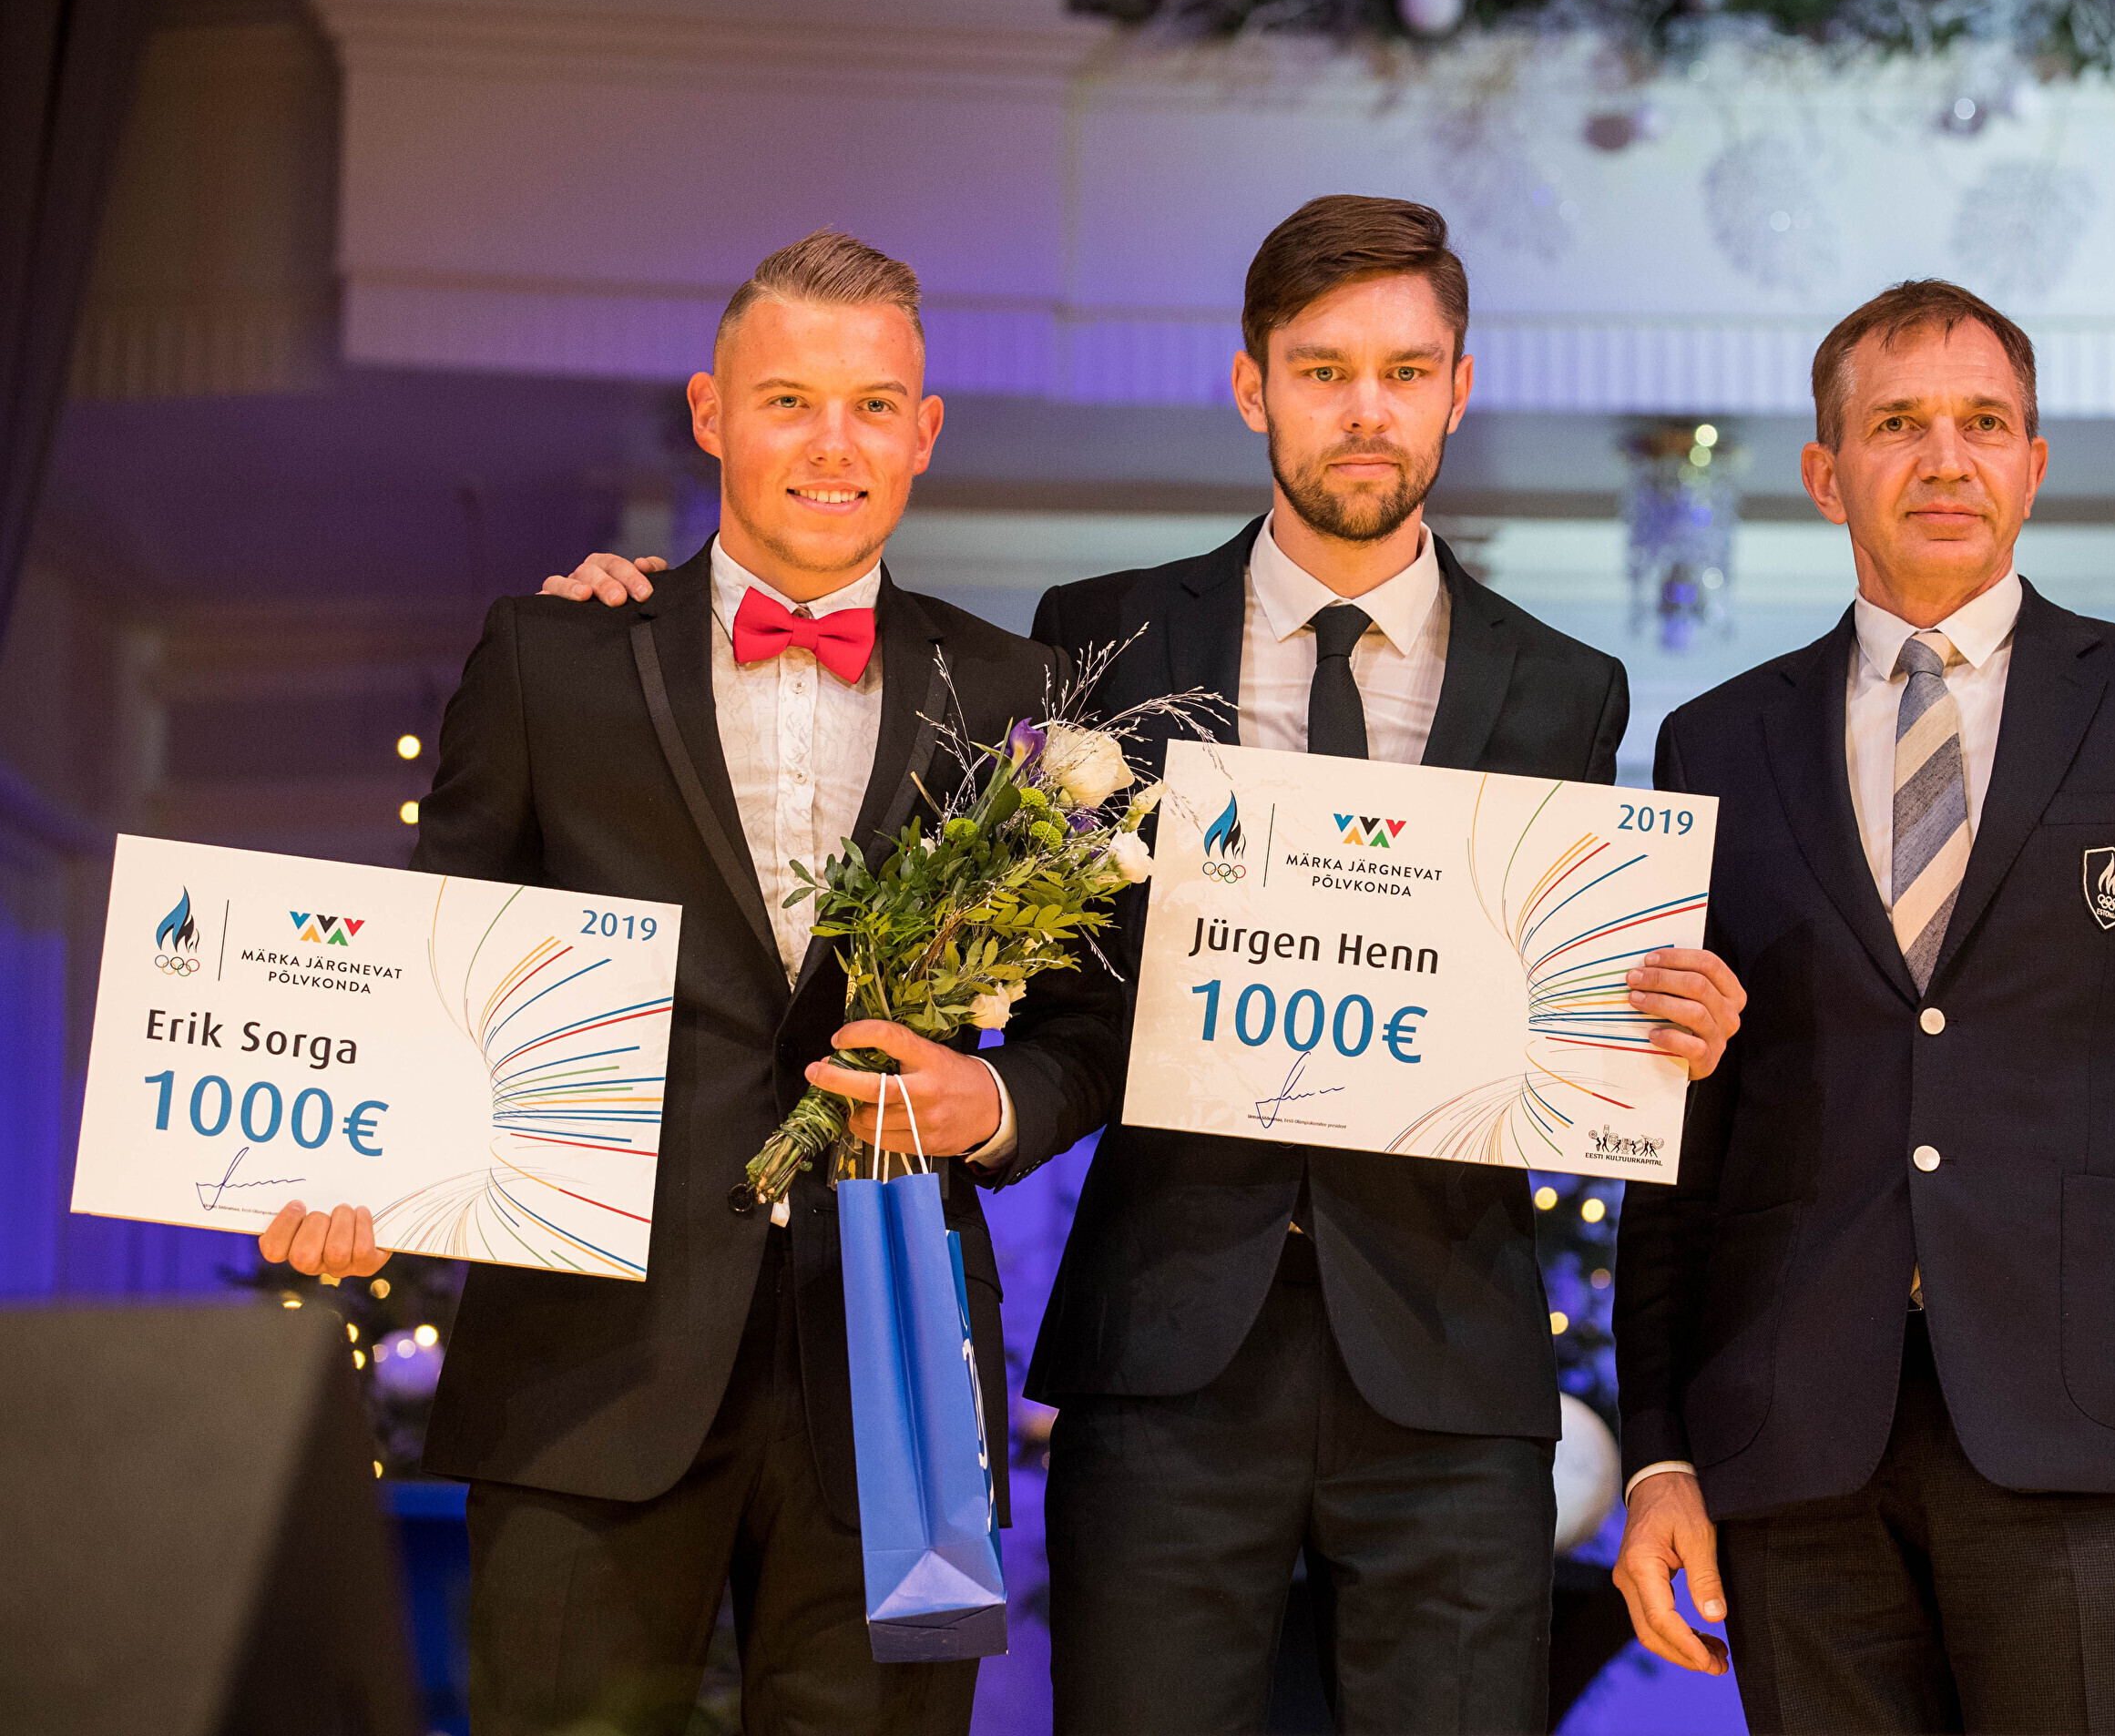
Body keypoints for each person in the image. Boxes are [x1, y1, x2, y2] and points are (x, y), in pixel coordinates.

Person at [548, 194, 1747, 1733]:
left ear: (1458, 389)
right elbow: (1069, 1008)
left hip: (1452, 1368)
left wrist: (1662, 1028)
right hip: (1165, 1354)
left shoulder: (1569, 689)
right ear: (1253, 388)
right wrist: (639, 615)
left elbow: (1558, 1018)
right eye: (1322, 371)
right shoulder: (1095, 642)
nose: (1365, 410)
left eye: (1404, 371)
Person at [260, 229, 1122, 1736]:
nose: (834, 444)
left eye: (873, 406)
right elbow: (430, 970)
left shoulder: (1018, 696)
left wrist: (990, 1102)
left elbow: (1090, 1026)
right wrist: (359, 1176)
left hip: (904, 1381)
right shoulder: (552, 656)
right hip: (584, 1363)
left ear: (924, 430)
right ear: (712, 413)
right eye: (789, 400)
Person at [1607, 280, 2115, 1735]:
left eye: (1984, 424)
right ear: (1826, 474)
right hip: (1794, 1460)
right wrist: (1659, 1453)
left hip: (2088, 1448)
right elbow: (1679, 1133)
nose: (1945, 459)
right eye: (1898, 425)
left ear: (2033, 465)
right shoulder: (1716, 743)